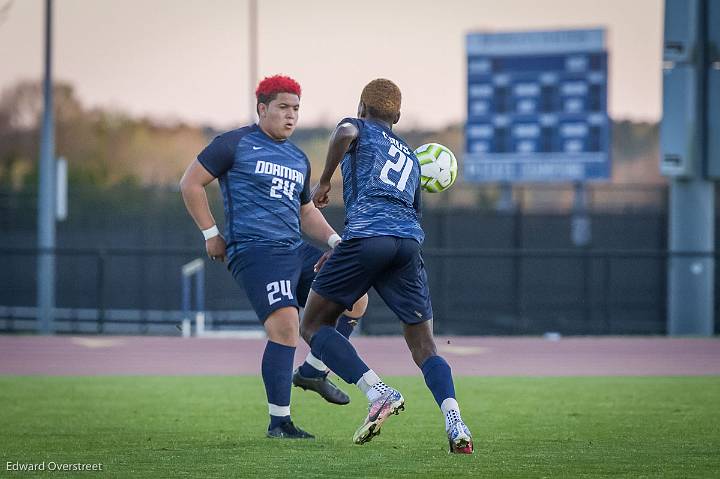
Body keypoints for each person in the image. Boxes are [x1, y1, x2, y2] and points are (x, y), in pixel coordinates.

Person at [179, 75, 367, 440]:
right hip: (255, 250)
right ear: (262, 108)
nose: (291, 115)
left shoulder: (298, 158)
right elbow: (190, 183)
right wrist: (210, 233)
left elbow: (306, 212)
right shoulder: (233, 144)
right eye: (283, 107)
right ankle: (279, 422)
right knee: (285, 327)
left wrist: (335, 242)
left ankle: (313, 371)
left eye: (296, 108)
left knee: (356, 298)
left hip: (293, 250)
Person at [299, 79, 474, 453]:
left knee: (313, 325)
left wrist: (325, 180)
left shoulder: (358, 126)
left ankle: (377, 391)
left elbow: (344, 131)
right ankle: (455, 420)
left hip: (367, 238)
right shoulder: (411, 158)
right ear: (398, 116)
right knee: (425, 346)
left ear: (362, 106)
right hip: (407, 245)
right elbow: (408, 213)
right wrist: (349, 250)